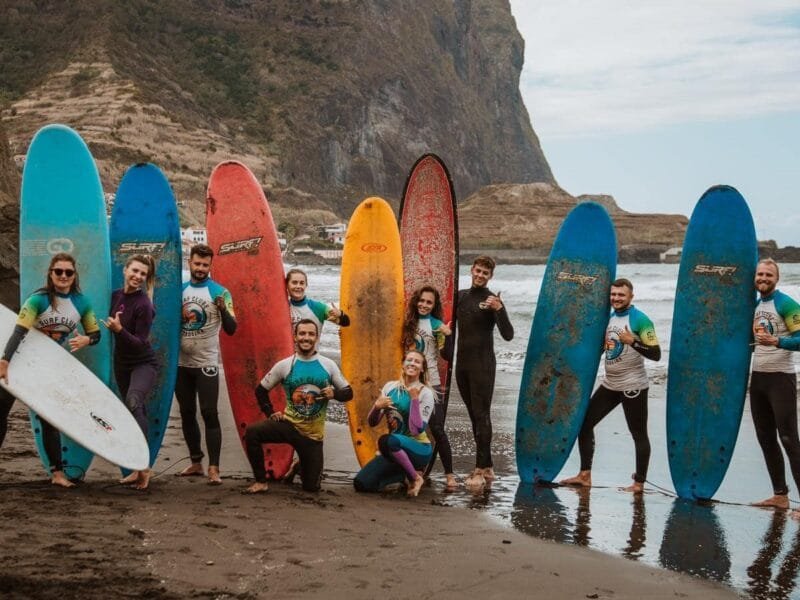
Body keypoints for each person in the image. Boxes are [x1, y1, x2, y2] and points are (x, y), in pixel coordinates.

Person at [0, 253, 101, 487]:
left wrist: (87, 340)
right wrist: (5, 362)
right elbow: (19, 331)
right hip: (19, 361)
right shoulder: (38, 300)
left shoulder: (82, 303)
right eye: (58, 271)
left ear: (74, 275)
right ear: (51, 273)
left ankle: (57, 474)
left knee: (49, 419)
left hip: (46, 368)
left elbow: (96, 334)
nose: (63, 276)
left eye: (68, 272)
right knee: (0, 413)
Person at [560, 278, 661, 493]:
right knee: (584, 424)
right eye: (613, 294)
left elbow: (656, 354)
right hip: (611, 383)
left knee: (638, 434)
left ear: (631, 296)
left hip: (633, 385)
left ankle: (639, 483)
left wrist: (632, 341)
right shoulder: (610, 319)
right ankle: (584, 475)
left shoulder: (641, 320)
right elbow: (604, 348)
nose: (616, 298)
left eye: (621, 295)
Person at [243, 319, 352, 494]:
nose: (306, 338)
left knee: (311, 488)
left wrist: (335, 394)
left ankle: (298, 465)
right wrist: (270, 412)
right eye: (302, 334)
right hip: (289, 425)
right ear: (295, 337)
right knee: (252, 432)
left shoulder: (327, 365)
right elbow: (260, 391)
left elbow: (349, 392)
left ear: (317, 338)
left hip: (312, 436)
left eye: (310, 334)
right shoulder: (285, 365)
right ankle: (261, 481)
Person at [175, 244, 236, 485]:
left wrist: (223, 310)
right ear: (189, 263)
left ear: (211, 266)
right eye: (197, 263)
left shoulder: (220, 293)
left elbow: (232, 329)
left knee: (209, 413)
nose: (200, 268)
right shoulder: (178, 291)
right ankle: (196, 462)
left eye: (205, 265)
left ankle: (214, 468)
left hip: (206, 364)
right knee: (186, 413)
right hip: (181, 364)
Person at [454, 255, 513, 488]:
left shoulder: (492, 301)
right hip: (462, 365)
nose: (480, 275)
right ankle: (487, 467)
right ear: (472, 270)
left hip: (483, 365)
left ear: (490, 276)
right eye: (477, 271)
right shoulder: (460, 297)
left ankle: (479, 470)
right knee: (473, 416)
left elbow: (508, 335)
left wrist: (500, 310)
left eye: (485, 273)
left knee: (482, 415)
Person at [748, 258, 800, 513]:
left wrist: (777, 342)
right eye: (760, 274)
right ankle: (780, 495)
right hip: (758, 379)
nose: (763, 279)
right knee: (765, 438)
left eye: (768, 275)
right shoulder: (756, 305)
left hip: (781, 378)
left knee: (789, 439)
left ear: (777, 278)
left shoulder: (786, 303)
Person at [103, 254, 159, 491]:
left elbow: (139, 342)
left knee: (134, 401)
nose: (137, 276)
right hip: (122, 363)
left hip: (143, 363)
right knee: (133, 411)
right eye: (134, 271)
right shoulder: (115, 296)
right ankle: (136, 469)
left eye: (142, 274)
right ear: (125, 270)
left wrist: (118, 330)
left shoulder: (144, 304)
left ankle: (144, 467)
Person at [353, 349, 436, 497]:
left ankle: (415, 478)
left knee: (386, 441)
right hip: (394, 450)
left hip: (419, 449)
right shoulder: (390, 387)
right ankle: (402, 477)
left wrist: (415, 400)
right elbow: (372, 423)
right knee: (362, 483)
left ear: (422, 369)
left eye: (417, 361)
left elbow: (416, 430)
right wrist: (377, 407)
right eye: (409, 360)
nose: (412, 363)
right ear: (403, 364)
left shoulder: (425, 393)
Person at [402, 285, 456, 491]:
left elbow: (447, 356)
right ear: (416, 301)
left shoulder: (436, 325)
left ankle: (449, 475)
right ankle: (413, 471)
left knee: (437, 429)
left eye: (429, 302)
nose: (424, 305)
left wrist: (448, 335)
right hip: (408, 382)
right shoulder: (407, 323)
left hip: (431, 383)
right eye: (421, 301)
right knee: (409, 427)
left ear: (434, 306)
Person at [286, 268, 350, 334]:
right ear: (287, 285)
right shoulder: (282, 308)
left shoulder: (318, 308)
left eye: (302, 283)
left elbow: (346, 323)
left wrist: (340, 314)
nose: (298, 286)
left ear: (306, 285)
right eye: (294, 283)